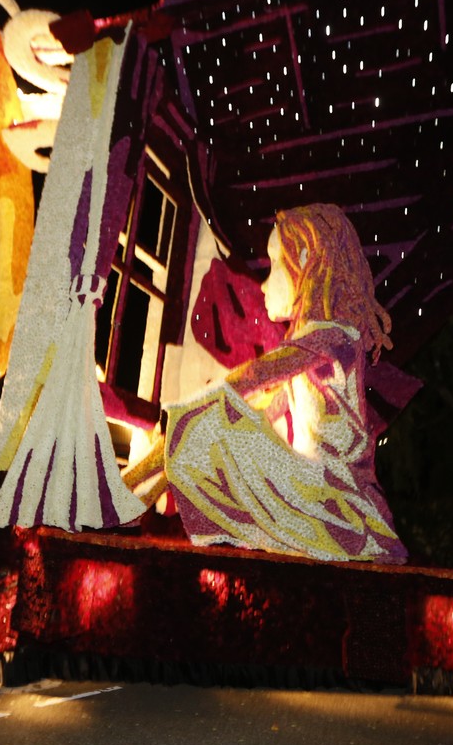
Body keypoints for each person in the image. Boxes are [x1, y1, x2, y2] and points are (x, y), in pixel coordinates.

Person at [124, 203, 408, 563]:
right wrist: (184, 422)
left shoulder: (333, 337)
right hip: (313, 489)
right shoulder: (318, 345)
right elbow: (264, 404)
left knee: (201, 419)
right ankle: (128, 496)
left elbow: (253, 377)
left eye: (275, 263)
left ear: (303, 260)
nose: (264, 283)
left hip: (331, 503)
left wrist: (189, 413)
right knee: (202, 420)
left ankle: (125, 496)